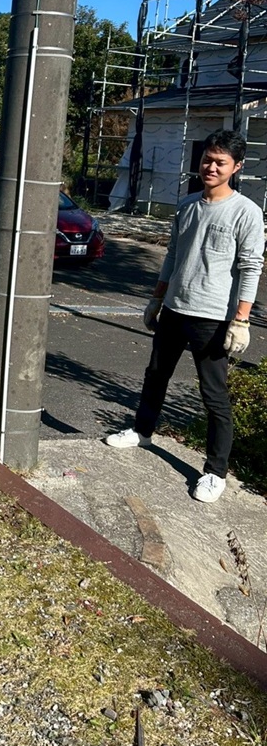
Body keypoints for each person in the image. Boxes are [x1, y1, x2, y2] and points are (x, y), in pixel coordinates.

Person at [105, 129, 264, 504]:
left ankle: (215, 472)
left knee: (214, 395)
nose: (211, 167)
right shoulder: (188, 205)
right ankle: (142, 431)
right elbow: (173, 255)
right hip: (175, 308)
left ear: (236, 167)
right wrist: (156, 299)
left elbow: (251, 267)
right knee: (155, 375)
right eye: (207, 159)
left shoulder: (246, 212)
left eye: (220, 162)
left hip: (213, 318)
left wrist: (241, 320)